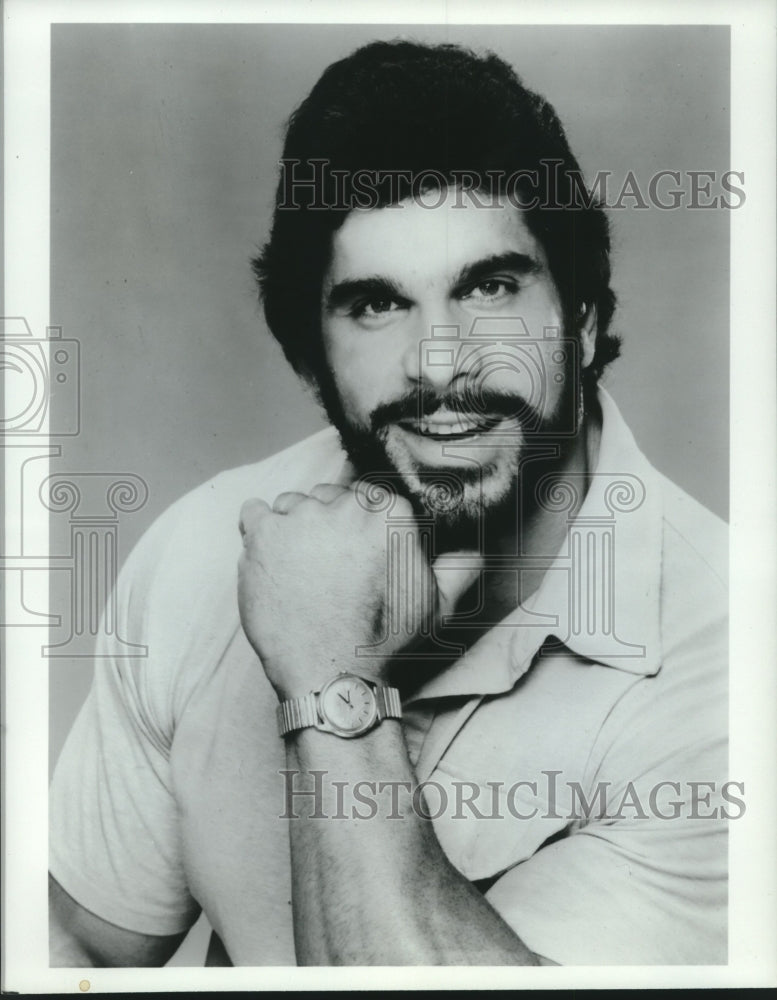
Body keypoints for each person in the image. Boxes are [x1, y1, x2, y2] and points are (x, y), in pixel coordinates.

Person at [49, 40, 729, 967]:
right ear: (310, 360)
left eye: (489, 287)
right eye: (375, 305)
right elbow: (79, 944)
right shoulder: (207, 547)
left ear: (581, 322)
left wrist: (331, 682)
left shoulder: (731, 674)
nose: (440, 364)